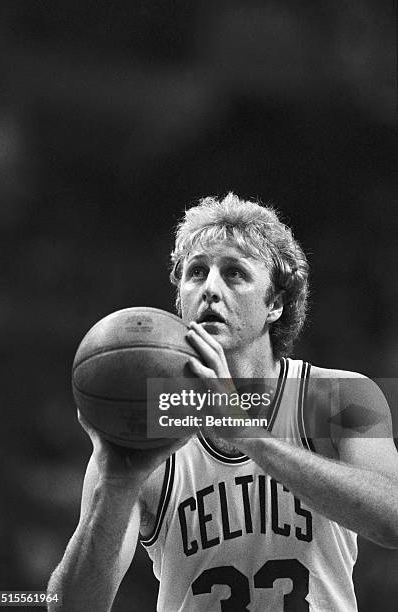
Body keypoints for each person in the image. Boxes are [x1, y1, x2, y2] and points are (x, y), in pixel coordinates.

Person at [48, 193, 398, 611]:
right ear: (180, 300)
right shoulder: (142, 427)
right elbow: (68, 607)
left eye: (234, 273)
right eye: (196, 273)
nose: (210, 288)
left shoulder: (340, 397)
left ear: (275, 304)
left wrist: (251, 436)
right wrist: (117, 483)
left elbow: (392, 520)